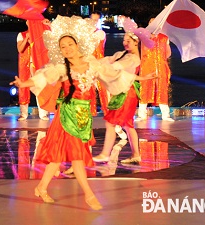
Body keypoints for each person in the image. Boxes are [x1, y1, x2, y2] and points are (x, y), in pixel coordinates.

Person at [10, 16, 154, 210]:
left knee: (59, 156)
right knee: (77, 155)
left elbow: (114, 74)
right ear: (59, 50)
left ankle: (42, 187)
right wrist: (23, 83)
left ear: (77, 44)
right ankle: (89, 195)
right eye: (63, 47)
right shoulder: (61, 68)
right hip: (66, 115)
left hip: (83, 116)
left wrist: (143, 77)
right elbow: (42, 78)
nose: (67, 48)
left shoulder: (92, 64)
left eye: (70, 44)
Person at [93, 24, 155, 164]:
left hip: (126, 93)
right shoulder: (125, 54)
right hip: (126, 91)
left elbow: (115, 67)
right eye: (124, 40)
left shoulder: (132, 58)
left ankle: (105, 154)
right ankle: (136, 154)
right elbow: (115, 63)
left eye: (129, 41)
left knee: (110, 123)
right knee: (128, 125)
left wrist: (97, 68)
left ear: (136, 42)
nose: (125, 43)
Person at [137, 18, 174, 122]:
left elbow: (168, 53)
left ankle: (165, 115)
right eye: (151, 22)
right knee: (144, 89)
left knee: (162, 89)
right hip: (147, 67)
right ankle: (142, 114)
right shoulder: (144, 36)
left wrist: (161, 61)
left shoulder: (165, 38)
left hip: (161, 67)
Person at [17, 21, 49, 121]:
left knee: (41, 85)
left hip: (39, 64)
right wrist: (26, 38)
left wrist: (48, 24)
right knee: (23, 87)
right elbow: (20, 49)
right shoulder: (21, 34)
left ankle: (43, 112)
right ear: (27, 23)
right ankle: (23, 113)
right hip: (25, 64)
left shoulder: (42, 34)